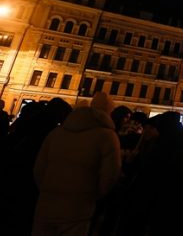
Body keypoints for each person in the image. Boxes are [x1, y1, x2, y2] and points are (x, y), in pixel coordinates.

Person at [32, 92, 121, 236]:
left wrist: (48, 191)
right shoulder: (107, 136)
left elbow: (39, 169)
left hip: (46, 205)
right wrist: (93, 196)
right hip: (79, 209)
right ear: (109, 111)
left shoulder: (57, 132)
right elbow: (110, 176)